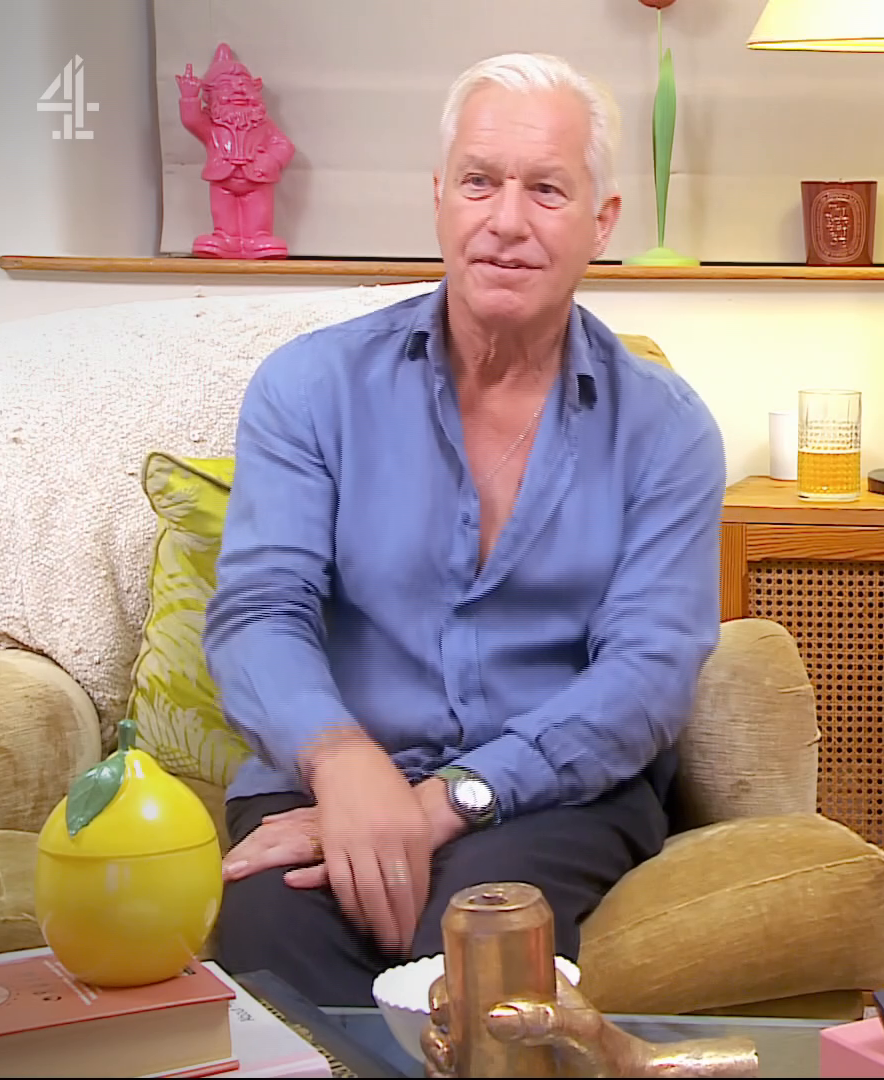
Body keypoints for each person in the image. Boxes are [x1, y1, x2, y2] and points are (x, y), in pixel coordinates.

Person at [204, 53, 725, 1007]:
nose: (507, 221)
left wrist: (439, 802)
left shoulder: (666, 429)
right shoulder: (311, 388)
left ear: (602, 222)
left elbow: (646, 678)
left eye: (547, 190)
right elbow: (259, 613)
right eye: (480, 182)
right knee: (268, 935)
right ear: (440, 196)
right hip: (326, 782)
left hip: (553, 796)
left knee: (476, 941)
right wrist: (343, 765)